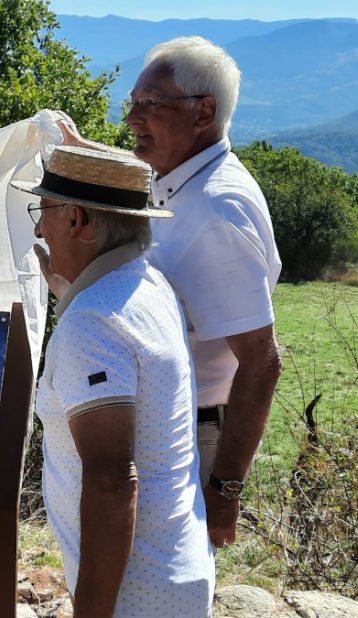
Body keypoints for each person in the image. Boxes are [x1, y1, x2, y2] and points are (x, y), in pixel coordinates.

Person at [55, 36, 283, 548]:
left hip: (189, 439)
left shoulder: (218, 212)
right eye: (132, 102)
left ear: (203, 112)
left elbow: (262, 360)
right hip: (165, 431)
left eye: (151, 104)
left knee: (151, 591)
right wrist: (86, 157)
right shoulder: (180, 180)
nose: (133, 118)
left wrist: (224, 489)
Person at [14, 145, 213, 617]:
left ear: (76, 220)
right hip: (175, 572)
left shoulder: (94, 322)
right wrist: (71, 293)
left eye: (43, 211)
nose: (40, 228)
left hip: (136, 596)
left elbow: (112, 481)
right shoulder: (147, 284)